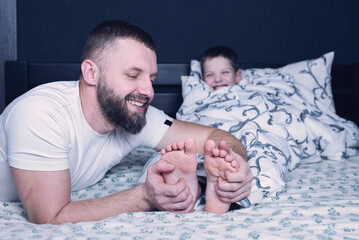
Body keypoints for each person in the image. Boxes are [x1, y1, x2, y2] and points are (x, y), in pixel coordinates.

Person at [0, 20, 252, 224]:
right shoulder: (41, 113)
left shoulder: (134, 113)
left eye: (151, 78)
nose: (148, 91)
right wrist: (144, 196)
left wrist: (236, 161)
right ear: (91, 73)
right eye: (133, 75)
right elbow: (48, 217)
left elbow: (214, 137)